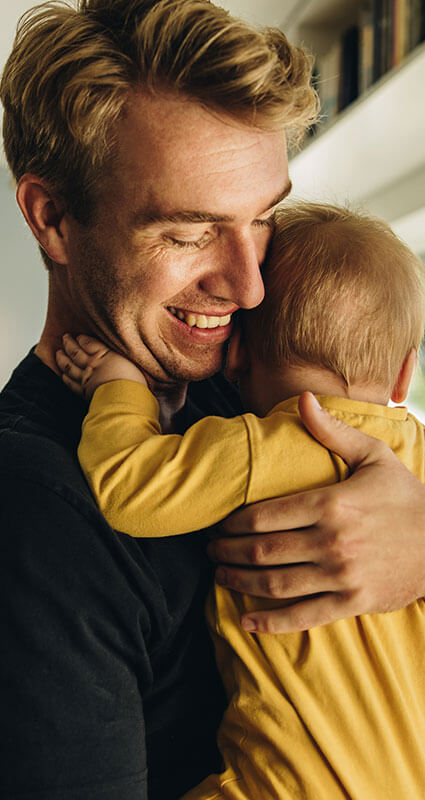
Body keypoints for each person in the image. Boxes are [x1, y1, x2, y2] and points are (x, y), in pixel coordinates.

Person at [1, 1, 425, 797]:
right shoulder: (34, 511)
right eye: (189, 231)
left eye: (261, 219)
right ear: (52, 218)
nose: (250, 284)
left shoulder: (249, 383)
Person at [57, 202, 425, 799]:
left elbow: (129, 486)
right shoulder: (417, 464)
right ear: (406, 374)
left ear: (237, 355)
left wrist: (118, 387)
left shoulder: (265, 444)